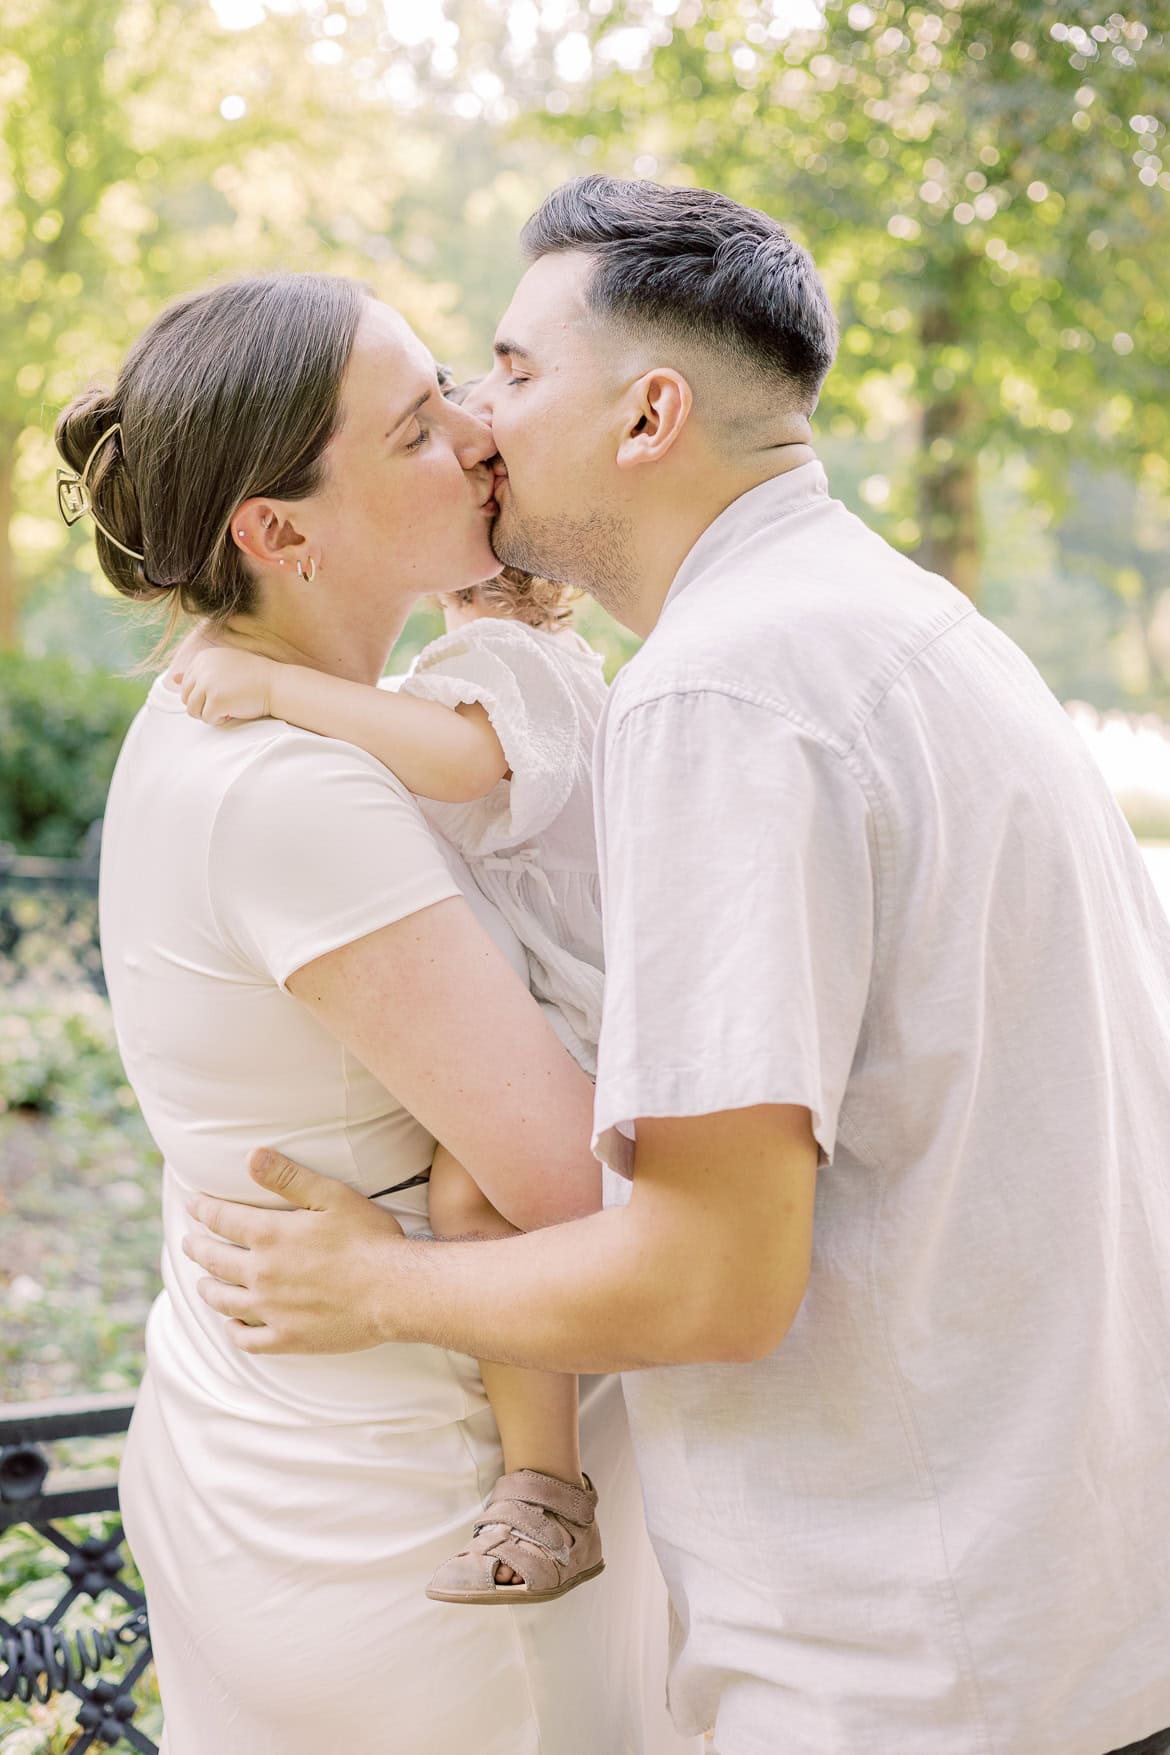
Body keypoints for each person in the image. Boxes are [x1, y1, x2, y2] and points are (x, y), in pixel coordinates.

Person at [186, 178, 1170, 1755]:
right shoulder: (912, 627)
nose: (477, 421)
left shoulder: (728, 697)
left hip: (908, 1677)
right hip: (1082, 1618)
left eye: (508, 370)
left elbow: (712, 1273)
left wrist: (377, 1285)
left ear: (648, 415)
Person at [55, 271, 698, 1754]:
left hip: (271, 1458)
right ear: (278, 534)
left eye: (456, 394)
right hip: (423, 1542)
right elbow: (566, 1187)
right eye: (418, 427)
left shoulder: (210, 713)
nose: (478, 436)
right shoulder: (297, 787)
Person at [173, 531, 609, 1605]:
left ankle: (547, 1484)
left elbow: (459, 761)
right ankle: (548, 1480)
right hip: (559, 990)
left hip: (586, 1001)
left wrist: (278, 683)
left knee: (481, 1193)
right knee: (475, 1191)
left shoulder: (524, 666)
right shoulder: (468, 674)